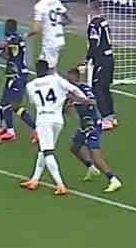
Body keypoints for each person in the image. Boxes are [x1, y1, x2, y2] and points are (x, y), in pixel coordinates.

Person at [20, 60, 88, 195]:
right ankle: (34, 179)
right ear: (47, 70)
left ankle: (60, 184)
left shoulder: (30, 85)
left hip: (43, 120)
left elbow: (33, 102)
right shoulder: (56, 79)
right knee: (43, 150)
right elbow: (74, 89)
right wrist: (84, 100)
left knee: (47, 152)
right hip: (57, 120)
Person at [67, 65, 122, 192]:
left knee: (95, 154)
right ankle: (91, 167)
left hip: (92, 124)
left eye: (69, 79)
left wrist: (73, 99)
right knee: (75, 147)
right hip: (84, 124)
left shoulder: (83, 89)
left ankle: (113, 179)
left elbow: (91, 102)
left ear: (75, 78)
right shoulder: (72, 90)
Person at [0, 17, 34, 143]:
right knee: (3, 102)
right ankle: (5, 127)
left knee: (13, 105)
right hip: (12, 74)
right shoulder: (16, 39)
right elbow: (9, 56)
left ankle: (32, 129)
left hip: (17, 75)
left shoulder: (13, 39)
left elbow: (2, 45)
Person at [86, 2, 116, 129]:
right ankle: (111, 116)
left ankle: (105, 119)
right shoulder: (104, 21)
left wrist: (88, 58)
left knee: (97, 89)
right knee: (105, 88)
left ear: (90, 9)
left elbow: (94, 43)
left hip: (101, 59)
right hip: (109, 58)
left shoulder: (94, 24)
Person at [32, 0, 68, 69]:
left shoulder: (39, 6)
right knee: (47, 63)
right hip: (59, 38)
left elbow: (37, 29)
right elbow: (66, 18)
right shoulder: (56, 1)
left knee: (47, 66)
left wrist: (28, 34)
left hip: (50, 41)